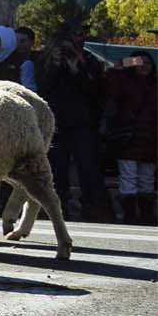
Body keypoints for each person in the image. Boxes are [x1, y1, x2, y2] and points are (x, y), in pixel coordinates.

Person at [39, 36, 108, 221]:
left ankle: (93, 207)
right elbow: (43, 88)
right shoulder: (48, 62)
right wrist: (55, 64)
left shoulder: (90, 61)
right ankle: (56, 207)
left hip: (83, 124)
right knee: (56, 168)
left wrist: (76, 68)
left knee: (88, 167)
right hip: (57, 123)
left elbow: (96, 91)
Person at [106, 49, 156, 226]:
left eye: (148, 63)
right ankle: (131, 214)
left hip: (148, 139)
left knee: (146, 179)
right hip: (130, 137)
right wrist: (117, 69)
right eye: (139, 62)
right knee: (129, 177)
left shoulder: (153, 85)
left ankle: (145, 214)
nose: (144, 66)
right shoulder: (123, 82)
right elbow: (110, 91)